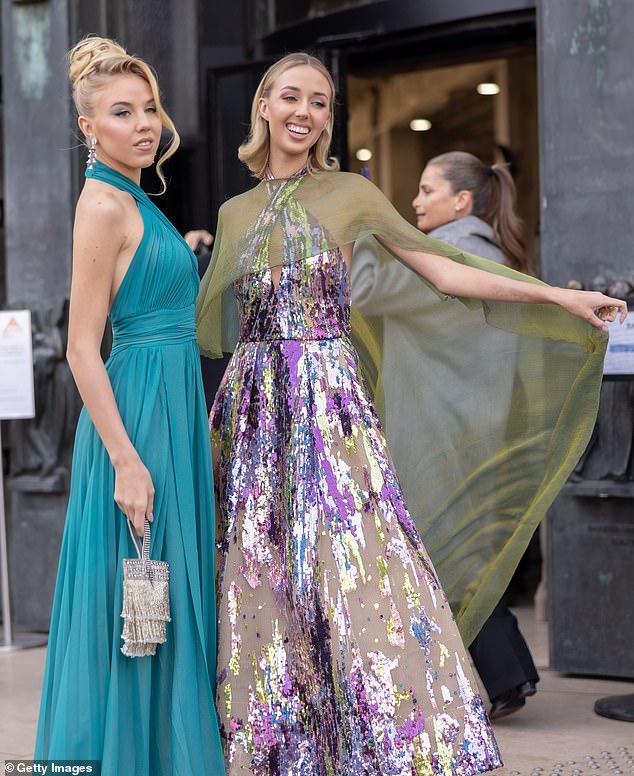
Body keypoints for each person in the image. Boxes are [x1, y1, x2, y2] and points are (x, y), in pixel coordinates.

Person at [195, 52, 624, 774]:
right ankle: (280, 744)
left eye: (322, 103)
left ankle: (388, 743)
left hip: (329, 405)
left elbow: (443, 267)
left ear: (329, 120)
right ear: (265, 104)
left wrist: (557, 297)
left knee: (361, 568)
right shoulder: (233, 212)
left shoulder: (350, 195)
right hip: (255, 406)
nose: (306, 112)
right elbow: (209, 312)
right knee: (264, 573)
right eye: (293, 97)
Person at [34, 37, 224, 773]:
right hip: (138, 421)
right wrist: (126, 461)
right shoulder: (103, 204)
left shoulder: (136, 198)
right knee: (139, 611)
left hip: (168, 412)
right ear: (89, 128)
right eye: (122, 111)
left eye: (149, 108)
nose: (145, 123)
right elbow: (81, 345)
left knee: (158, 610)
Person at [352, 151, 540, 720]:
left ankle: (500, 678)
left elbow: (362, 290)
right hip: (474, 431)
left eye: (426, 190)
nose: (415, 202)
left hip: (442, 434)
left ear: (461, 201)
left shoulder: (447, 257)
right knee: (451, 555)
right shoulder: (489, 253)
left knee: (434, 558)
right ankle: (506, 677)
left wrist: (361, 228)